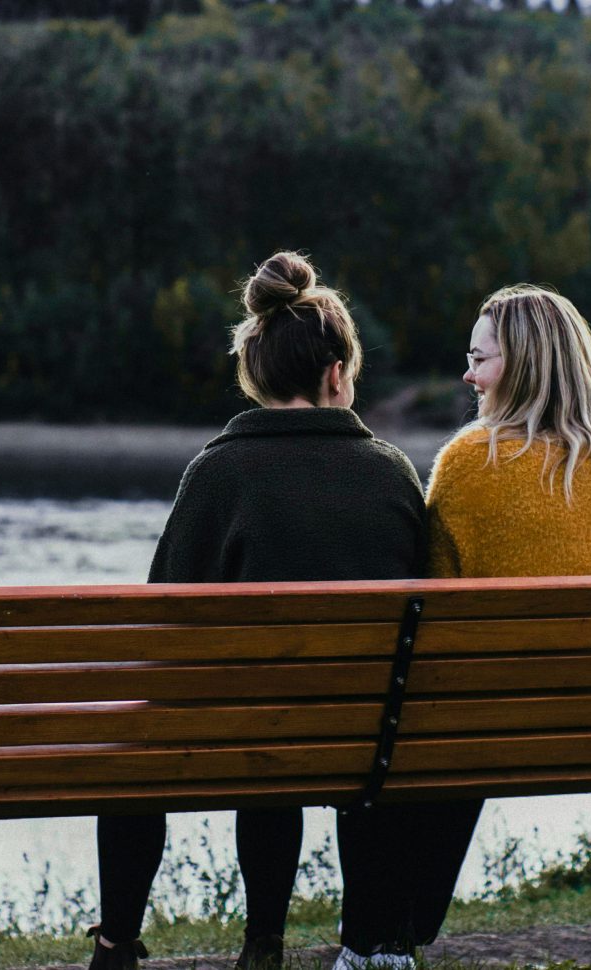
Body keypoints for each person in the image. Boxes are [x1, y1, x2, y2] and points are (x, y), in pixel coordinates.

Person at [87, 251, 427, 970]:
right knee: (291, 723)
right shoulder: (393, 472)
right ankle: (264, 941)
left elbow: (164, 625)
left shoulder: (220, 471)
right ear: (338, 373)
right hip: (368, 733)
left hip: (245, 730)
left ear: (260, 372)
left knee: (168, 738)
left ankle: (119, 945)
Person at [395, 283, 591, 953]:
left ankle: (395, 933)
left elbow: (431, 608)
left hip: (490, 720)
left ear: (522, 365)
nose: (468, 374)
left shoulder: (471, 462)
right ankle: (408, 930)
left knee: (420, 716)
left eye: (479, 358)